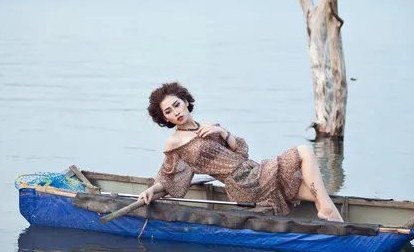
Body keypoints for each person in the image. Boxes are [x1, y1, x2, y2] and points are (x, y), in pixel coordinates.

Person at [137, 82, 344, 222]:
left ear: (186, 102)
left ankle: (339, 227)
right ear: (165, 119)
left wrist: (223, 132)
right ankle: (327, 212)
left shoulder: (208, 126)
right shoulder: (174, 142)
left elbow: (242, 151)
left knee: (316, 193)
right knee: (305, 151)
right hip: (241, 183)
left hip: (253, 170)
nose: (176, 112)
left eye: (177, 105)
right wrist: (151, 191)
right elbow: (170, 179)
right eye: (169, 112)